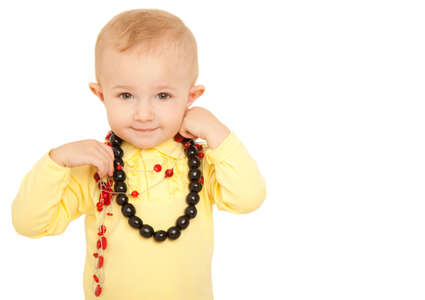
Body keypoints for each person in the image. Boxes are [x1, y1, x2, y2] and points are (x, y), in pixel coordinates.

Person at [11, 8, 266, 300]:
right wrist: (55, 161)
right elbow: (28, 224)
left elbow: (249, 198)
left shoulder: (204, 163)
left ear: (191, 97)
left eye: (163, 96)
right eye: (126, 95)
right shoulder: (98, 167)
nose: (143, 114)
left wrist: (218, 133)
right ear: (101, 95)